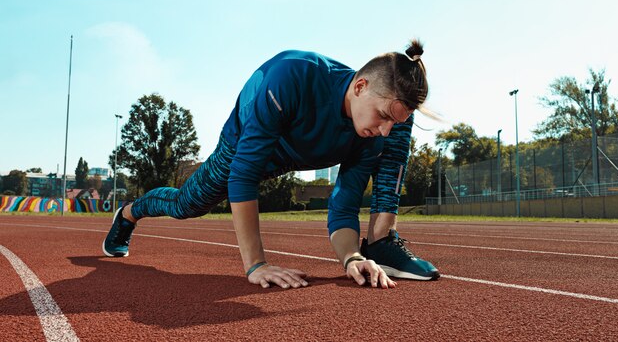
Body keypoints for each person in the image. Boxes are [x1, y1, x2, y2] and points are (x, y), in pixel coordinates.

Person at [103, 39, 440, 290]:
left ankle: (382, 242)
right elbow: (244, 174)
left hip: (290, 154)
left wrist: (351, 257)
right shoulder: (291, 76)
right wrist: (256, 265)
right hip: (242, 148)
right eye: (382, 117)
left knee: (394, 130)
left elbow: (345, 203)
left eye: (390, 123)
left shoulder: (376, 131)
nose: (383, 130)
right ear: (359, 86)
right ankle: (130, 213)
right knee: (186, 204)